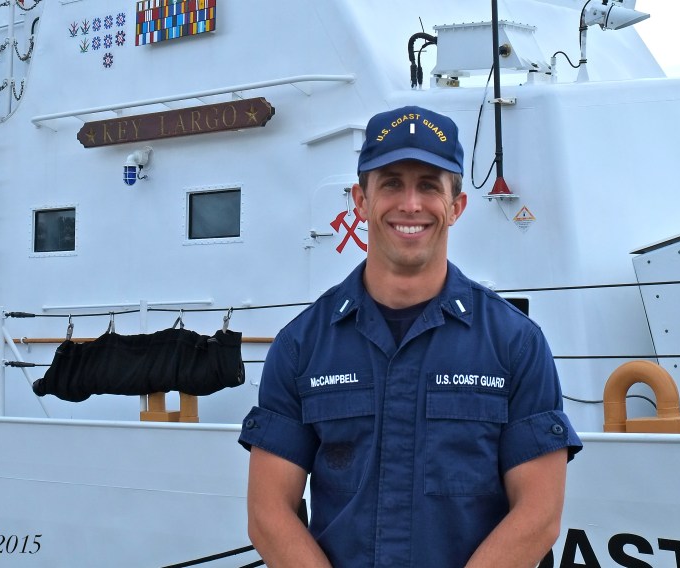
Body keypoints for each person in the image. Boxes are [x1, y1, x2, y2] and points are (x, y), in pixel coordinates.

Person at [238, 105, 582, 567]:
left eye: (428, 186)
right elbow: (268, 513)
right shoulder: (302, 345)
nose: (411, 205)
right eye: (392, 183)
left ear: (456, 207)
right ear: (361, 201)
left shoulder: (514, 344)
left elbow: (538, 516)